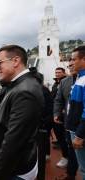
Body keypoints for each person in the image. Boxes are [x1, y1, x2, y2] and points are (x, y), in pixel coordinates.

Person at [0, 30, 44, 180]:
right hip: (20, 164)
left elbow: (12, 144)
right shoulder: (22, 81)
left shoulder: (24, 92)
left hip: (14, 171)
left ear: (15, 61)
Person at [54, 60, 78, 180]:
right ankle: (71, 174)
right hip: (69, 123)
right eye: (69, 66)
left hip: (82, 123)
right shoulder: (64, 82)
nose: (71, 67)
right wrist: (57, 113)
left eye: (73, 64)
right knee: (71, 148)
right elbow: (58, 100)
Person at [67, 45, 85, 180]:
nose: (70, 63)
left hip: (80, 132)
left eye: (73, 59)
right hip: (76, 129)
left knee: (83, 168)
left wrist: (79, 134)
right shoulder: (79, 78)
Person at [52, 67, 69, 168]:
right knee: (60, 137)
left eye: (59, 72)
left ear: (64, 73)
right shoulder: (55, 84)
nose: (57, 74)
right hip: (56, 114)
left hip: (65, 114)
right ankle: (65, 156)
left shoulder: (67, 82)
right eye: (56, 72)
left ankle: (67, 158)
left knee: (66, 138)